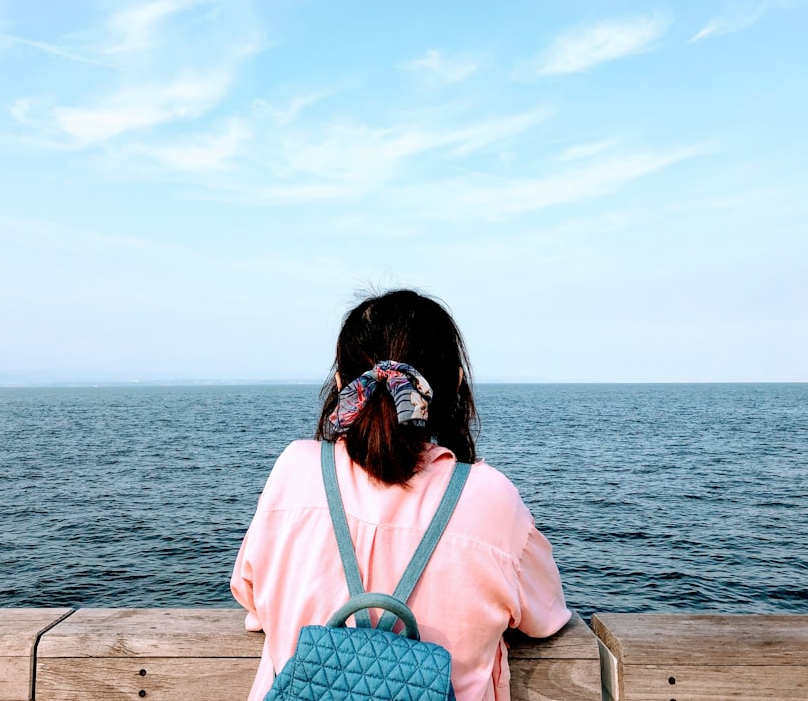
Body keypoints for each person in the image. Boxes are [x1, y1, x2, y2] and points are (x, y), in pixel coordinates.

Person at [231, 289, 570, 701]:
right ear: (456, 386)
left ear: (342, 385)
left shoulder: (294, 470)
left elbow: (250, 595)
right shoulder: (492, 498)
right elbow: (545, 617)